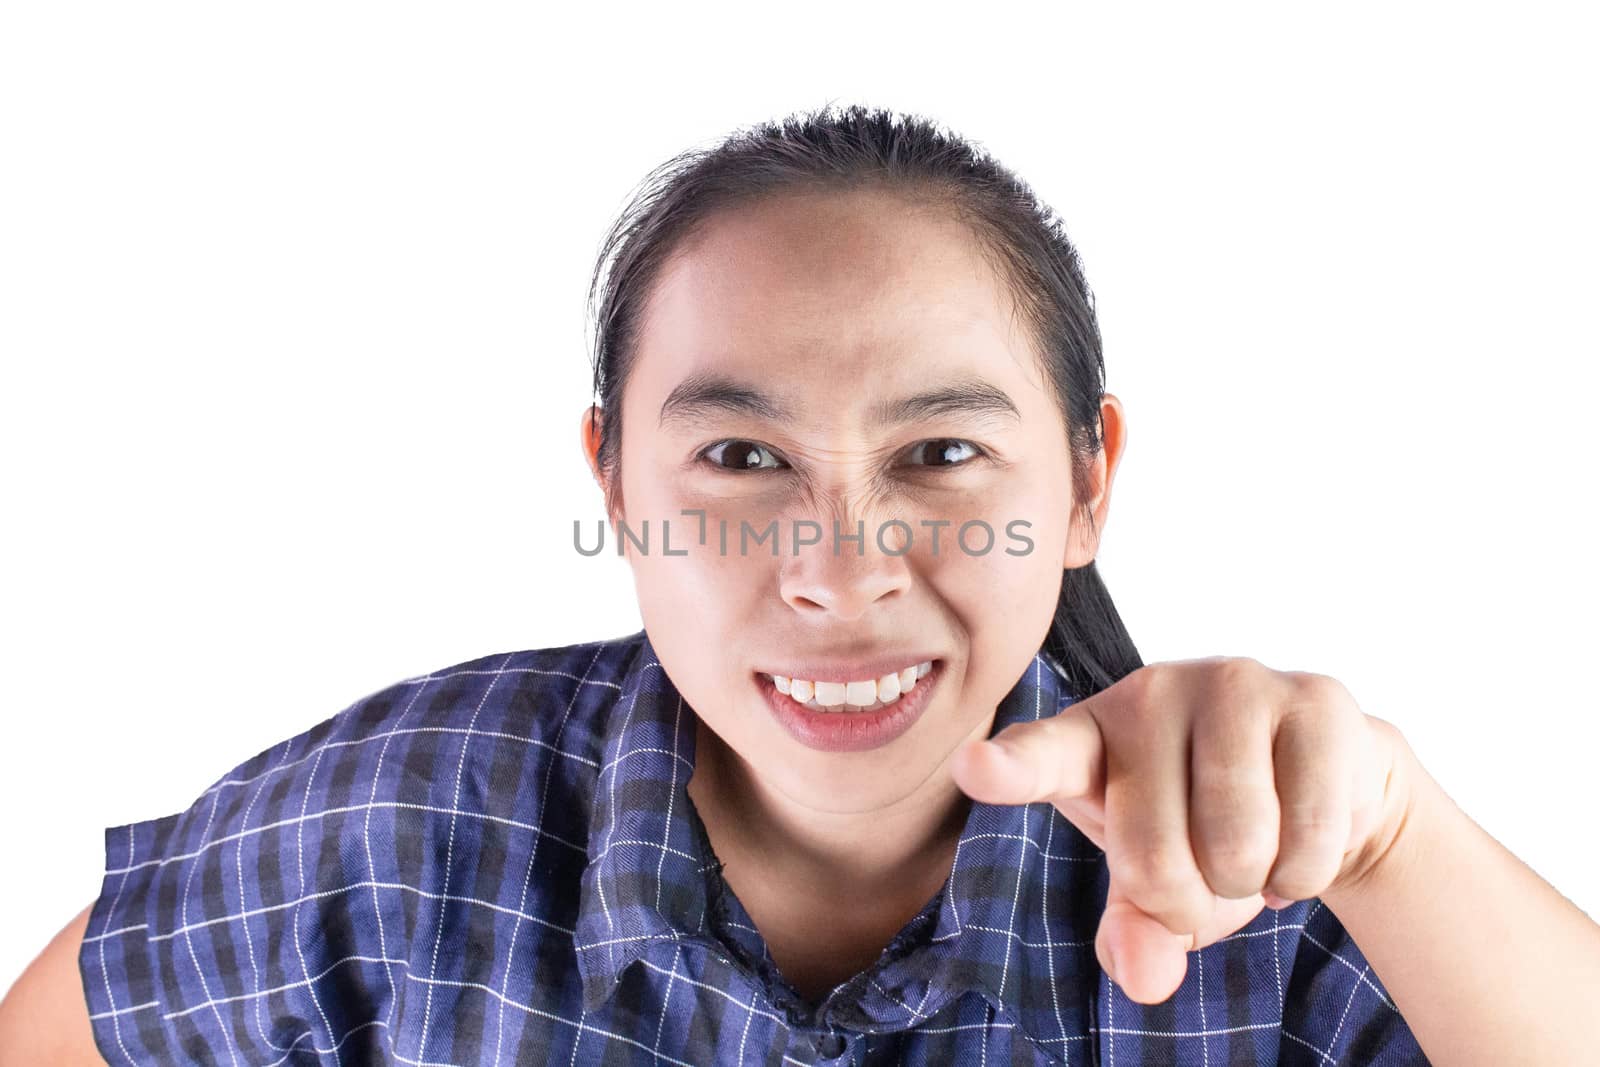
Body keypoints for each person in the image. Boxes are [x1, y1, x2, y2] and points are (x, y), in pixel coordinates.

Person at [3, 104, 1596, 1066]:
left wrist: (1393, 836)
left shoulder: (1264, 883)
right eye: (744, 462)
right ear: (615, 486)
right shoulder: (384, 831)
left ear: (1090, 479)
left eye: (943, 458)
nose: (840, 575)